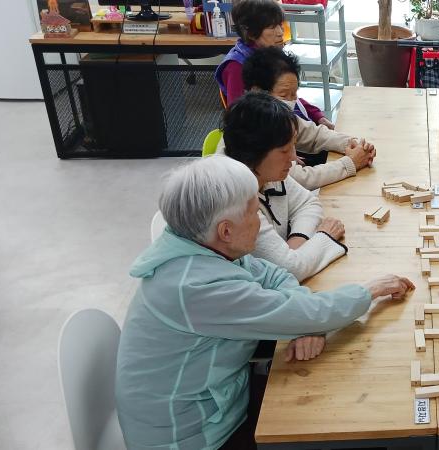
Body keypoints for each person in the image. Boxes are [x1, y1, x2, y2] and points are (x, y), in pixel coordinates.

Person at [116, 155, 415, 450]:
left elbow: (275, 276)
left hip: (217, 403)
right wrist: (369, 290)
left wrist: (306, 324)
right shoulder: (196, 287)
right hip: (197, 437)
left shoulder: (206, 245)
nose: (261, 224)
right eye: (253, 213)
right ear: (225, 230)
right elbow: (303, 309)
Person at [222, 92, 347, 281]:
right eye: (284, 151)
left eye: (293, 146)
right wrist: (324, 236)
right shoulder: (236, 201)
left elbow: (308, 203)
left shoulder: (264, 171)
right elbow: (290, 271)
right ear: (254, 151)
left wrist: (296, 241)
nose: (293, 157)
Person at [241, 47, 376, 188]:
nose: (291, 101)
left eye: (294, 94)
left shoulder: (278, 117)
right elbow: (298, 179)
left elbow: (315, 135)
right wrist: (350, 163)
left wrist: (352, 144)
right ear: (257, 92)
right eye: (283, 95)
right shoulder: (254, 129)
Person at [214, 0, 334, 129]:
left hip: (289, 121)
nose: (280, 32)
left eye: (280, 25)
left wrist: (317, 115)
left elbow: (288, 96)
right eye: (272, 27)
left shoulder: (270, 52)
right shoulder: (236, 66)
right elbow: (238, 119)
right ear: (251, 33)